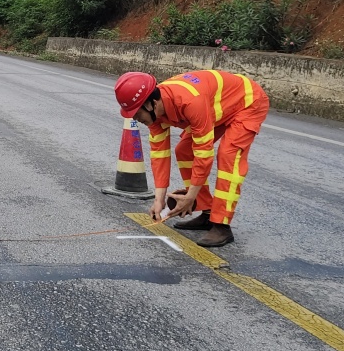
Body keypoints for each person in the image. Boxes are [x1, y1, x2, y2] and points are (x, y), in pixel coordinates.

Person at [114, 69, 270, 248]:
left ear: (152, 104)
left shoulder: (189, 101)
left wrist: (190, 197)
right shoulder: (156, 113)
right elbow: (159, 155)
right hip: (217, 107)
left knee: (228, 155)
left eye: (136, 113)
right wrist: (159, 200)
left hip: (247, 102)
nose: (135, 118)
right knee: (184, 150)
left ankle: (221, 225)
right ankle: (207, 212)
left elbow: (203, 153)